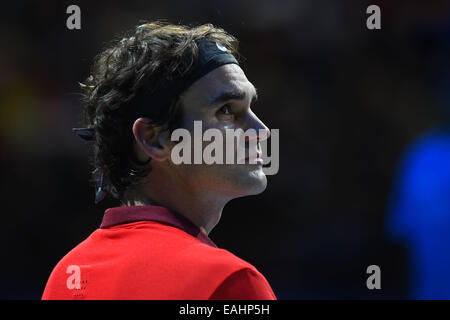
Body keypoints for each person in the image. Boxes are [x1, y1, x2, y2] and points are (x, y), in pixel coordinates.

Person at [42, 21, 277, 300]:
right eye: (226, 110)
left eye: (251, 107)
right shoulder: (229, 281)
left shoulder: (68, 276)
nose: (261, 130)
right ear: (153, 139)